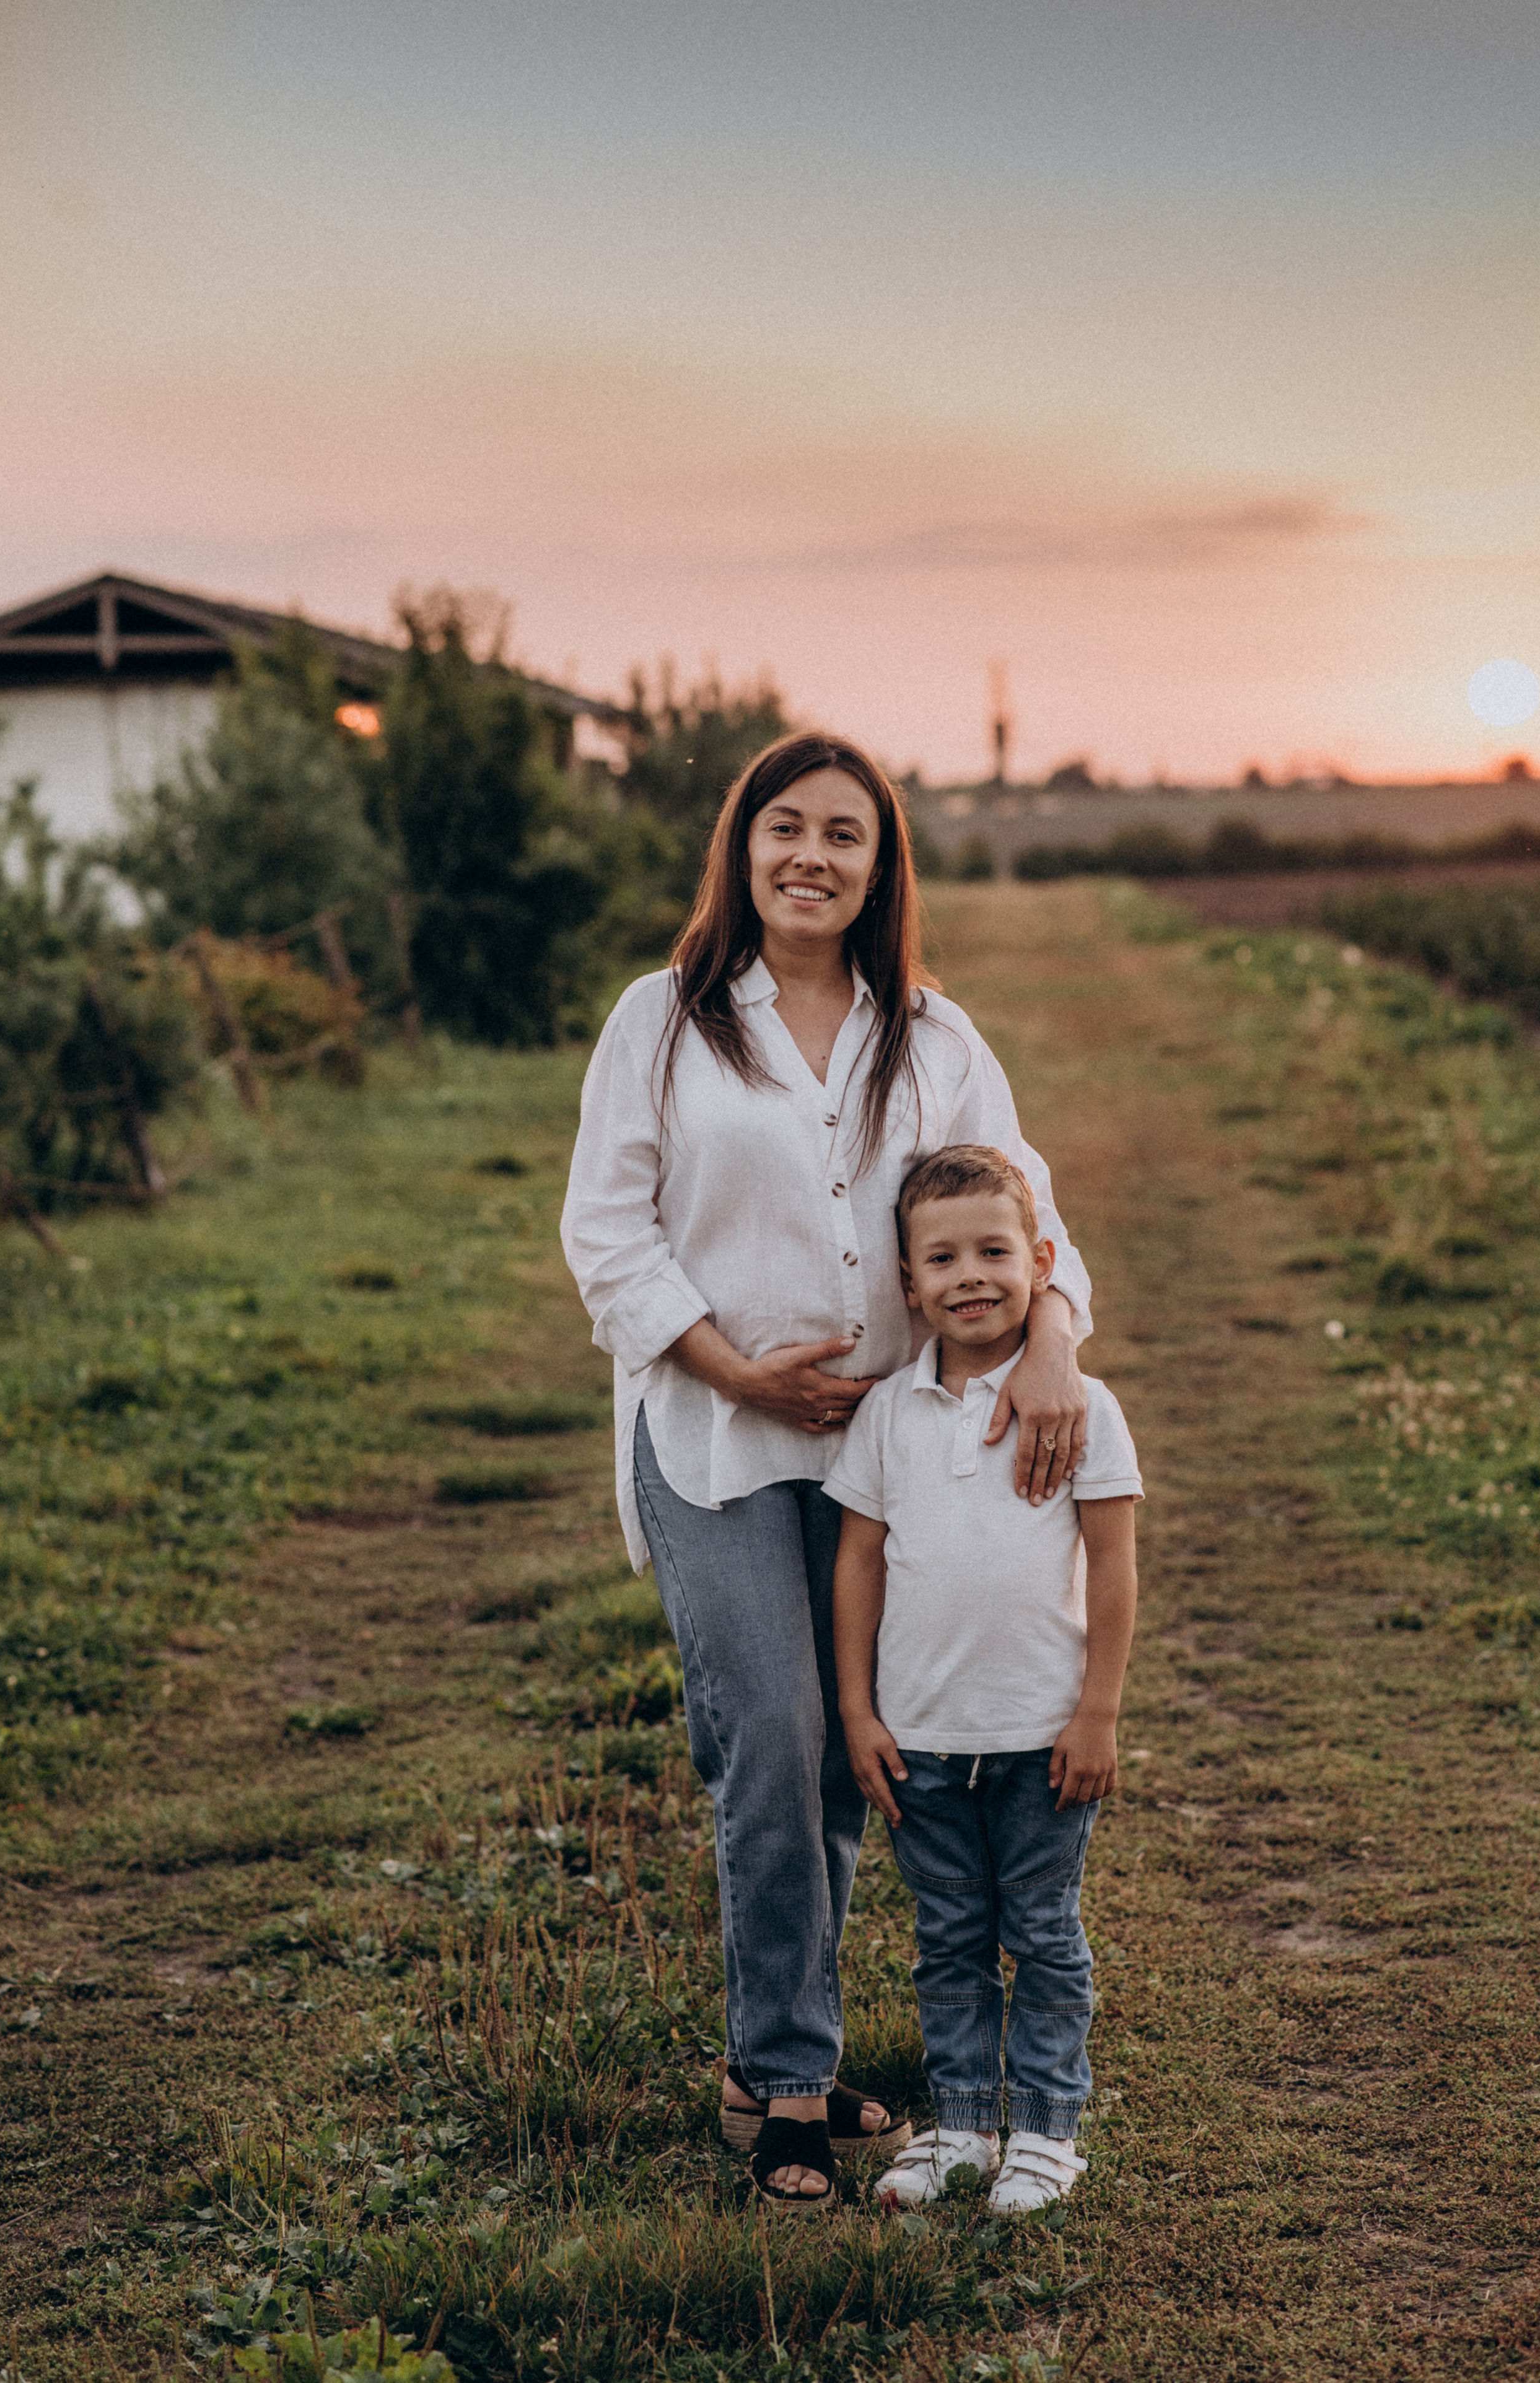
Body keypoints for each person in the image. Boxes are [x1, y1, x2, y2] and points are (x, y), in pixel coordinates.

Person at [560, 733, 1095, 2212]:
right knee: (775, 1734)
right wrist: (733, 1368)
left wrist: (1050, 1332)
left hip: (880, 1467)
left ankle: (774, 2053)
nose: (810, 855)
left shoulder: (932, 1038)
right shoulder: (658, 1024)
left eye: (842, 835)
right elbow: (605, 1237)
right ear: (740, 848)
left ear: (878, 866)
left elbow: (1024, 1210)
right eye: (782, 827)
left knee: (854, 1750)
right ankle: (783, 2079)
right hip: (716, 1441)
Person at [826, 1143, 1140, 2213]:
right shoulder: (886, 1416)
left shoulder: (1080, 1405)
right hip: (919, 1740)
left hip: (1042, 1735)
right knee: (949, 1939)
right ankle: (963, 2127)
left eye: (995, 1251)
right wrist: (859, 1711)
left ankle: (1047, 2134)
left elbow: (1114, 1564)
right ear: (907, 1284)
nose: (971, 1275)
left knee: (1043, 1936)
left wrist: (1098, 1712)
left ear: (1042, 1260)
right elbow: (858, 1562)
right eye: (942, 1257)